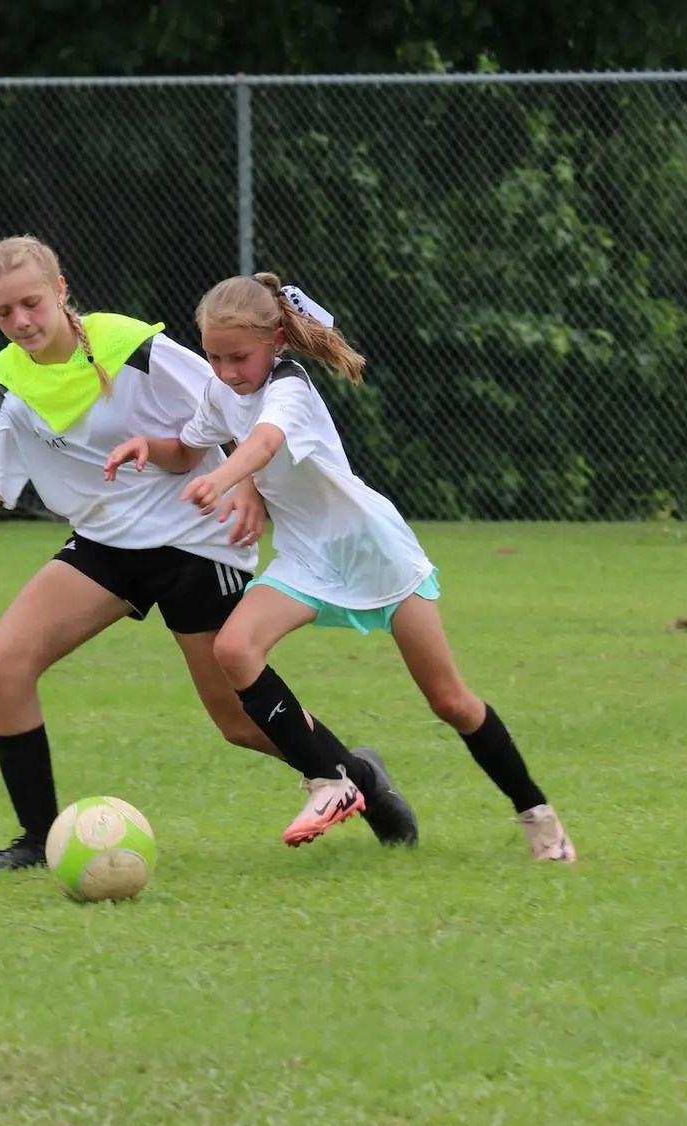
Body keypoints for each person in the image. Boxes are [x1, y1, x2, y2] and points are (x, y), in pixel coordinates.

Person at [0, 236, 418, 872]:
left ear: (60, 291)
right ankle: (37, 840)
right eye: (3, 312)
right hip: (105, 545)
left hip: (195, 538)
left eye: (31, 302)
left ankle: (358, 777)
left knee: (238, 723)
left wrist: (246, 487)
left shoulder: (132, 345)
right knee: (4, 666)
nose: (21, 321)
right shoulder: (4, 385)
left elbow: (235, 405)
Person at [102, 272, 577, 862]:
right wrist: (150, 445)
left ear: (276, 339)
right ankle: (331, 779)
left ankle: (539, 817)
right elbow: (192, 444)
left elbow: (263, 445)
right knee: (234, 650)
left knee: (450, 701)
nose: (224, 371)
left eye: (239, 357)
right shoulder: (223, 389)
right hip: (307, 555)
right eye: (213, 357)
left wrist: (224, 478)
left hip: (374, 551)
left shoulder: (290, 387)